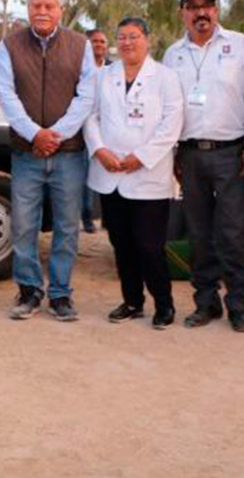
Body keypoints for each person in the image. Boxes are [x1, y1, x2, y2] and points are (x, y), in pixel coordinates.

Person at [161, 0, 244, 332]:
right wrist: (172, 151)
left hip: (231, 154)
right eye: (193, 7)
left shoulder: (238, 45)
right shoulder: (173, 54)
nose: (201, 13)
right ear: (183, 13)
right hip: (190, 155)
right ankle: (206, 302)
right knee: (199, 232)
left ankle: (238, 304)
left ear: (216, 11)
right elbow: (167, 106)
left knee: (234, 230)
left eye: (207, 6)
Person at [0, 0, 96, 321]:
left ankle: (60, 294)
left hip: (68, 153)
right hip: (26, 154)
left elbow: (86, 97)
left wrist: (56, 133)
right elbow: (7, 97)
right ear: (28, 8)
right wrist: (35, 134)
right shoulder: (9, 46)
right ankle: (28, 290)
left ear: (60, 9)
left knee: (67, 226)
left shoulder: (80, 46)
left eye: (49, 6)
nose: (42, 11)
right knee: (24, 225)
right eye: (36, 5)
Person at [84, 17, 184, 329]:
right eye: (122, 37)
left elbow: (172, 123)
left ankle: (164, 304)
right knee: (121, 242)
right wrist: (100, 150)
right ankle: (132, 301)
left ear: (148, 40)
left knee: (149, 245)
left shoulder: (166, 77)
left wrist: (140, 157)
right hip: (110, 174)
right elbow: (90, 116)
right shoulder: (104, 76)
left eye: (134, 36)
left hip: (148, 178)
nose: (128, 42)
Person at [82, 28, 111, 232]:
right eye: (94, 41)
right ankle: (87, 218)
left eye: (102, 42)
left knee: (109, 174)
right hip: (84, 130)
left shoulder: (113, 70)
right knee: (86, 178)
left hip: (109, 131)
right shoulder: (80, 69)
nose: (99, 45)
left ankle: (108, 218)